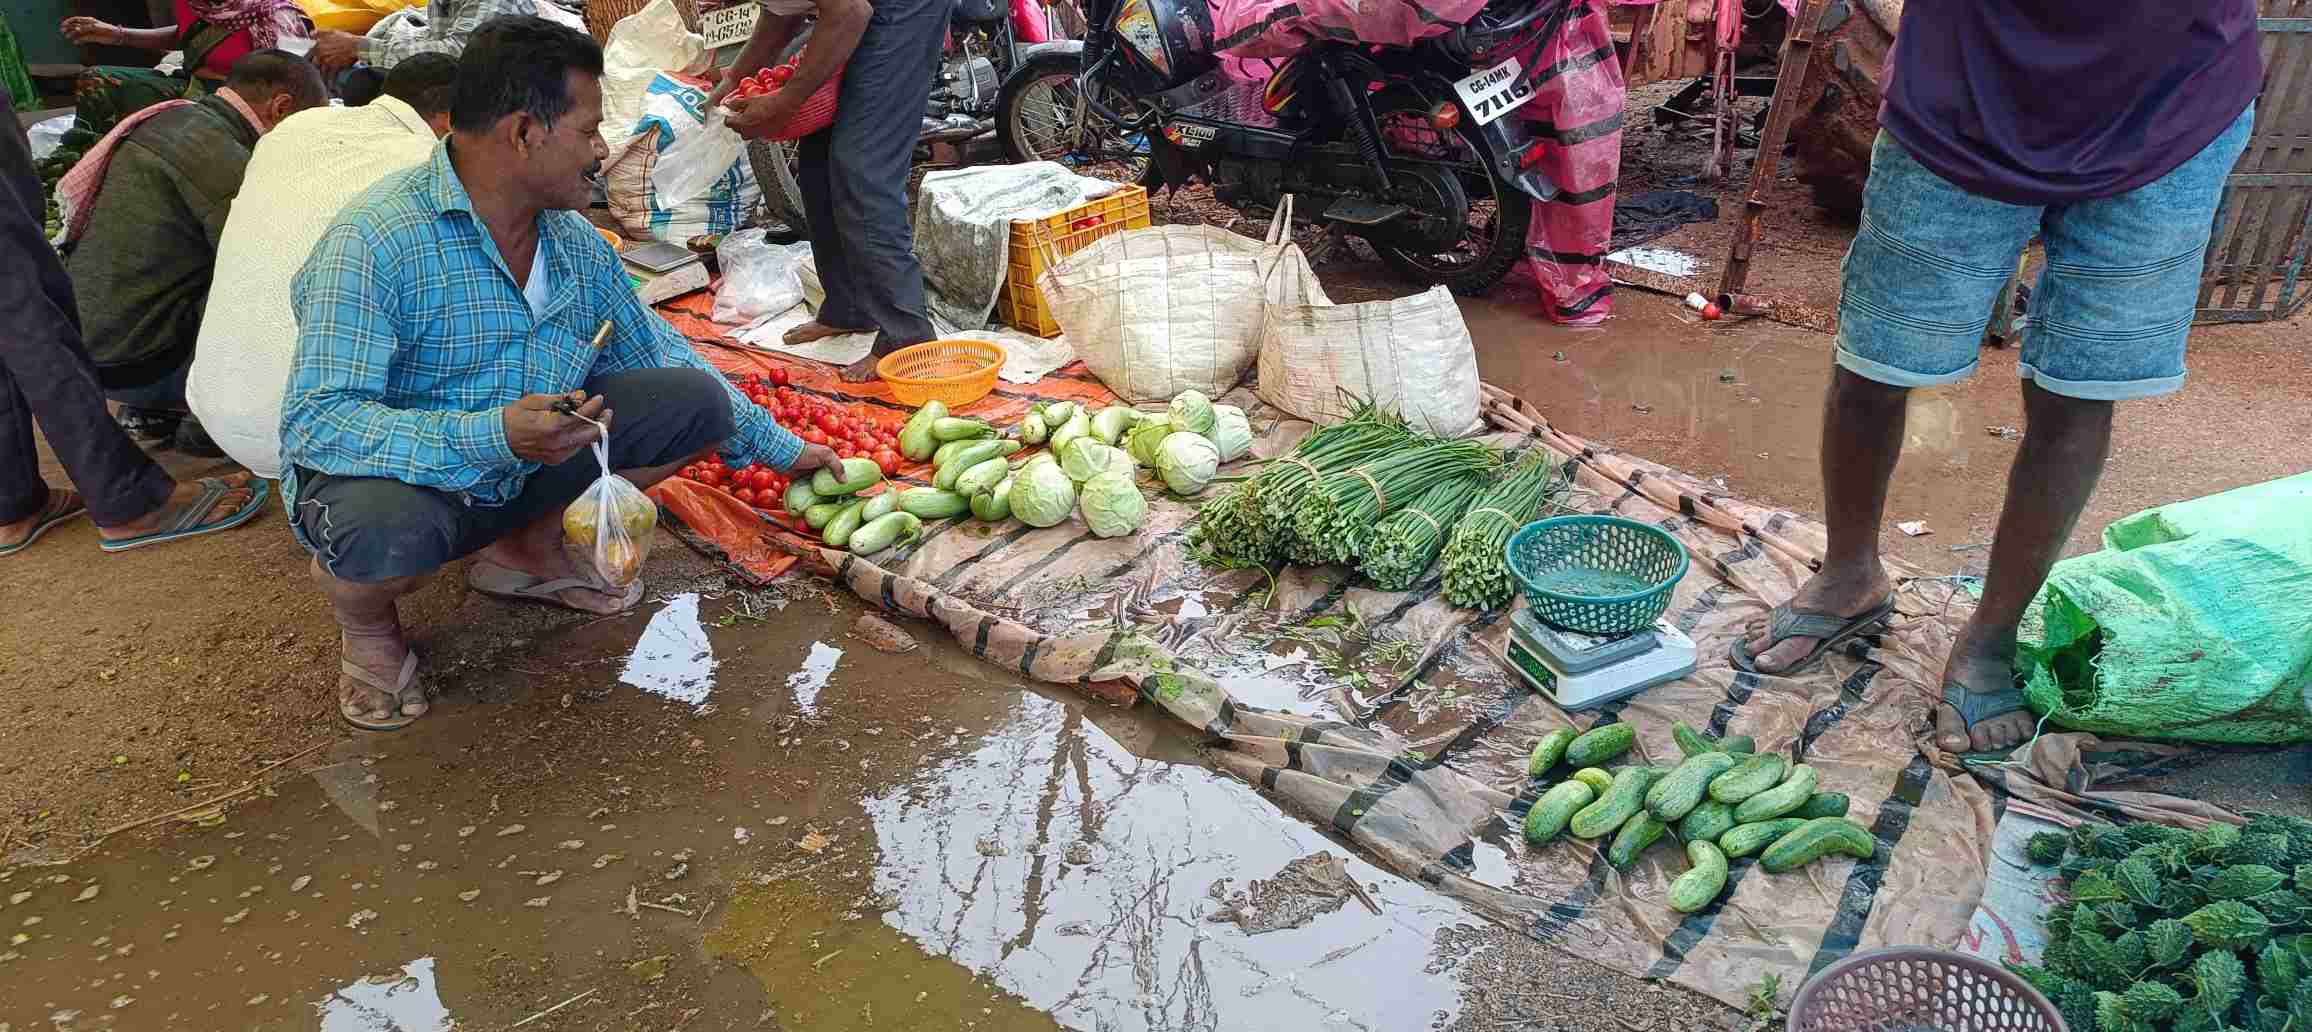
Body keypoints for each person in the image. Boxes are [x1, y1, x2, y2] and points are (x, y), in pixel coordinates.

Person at [280, 16, 838, 732]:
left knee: (695, 404)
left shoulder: (574, 243)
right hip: (411, 480)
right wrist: (491, 434)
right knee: (385, 534)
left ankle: (524, 549)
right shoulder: (376, 242)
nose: (603, 151)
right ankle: (368, 628)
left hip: (523, 464)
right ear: (523, 133)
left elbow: (664, 356)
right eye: (589, 130)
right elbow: (317, 421)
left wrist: (786, 449)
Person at [1734, 1, 2260, 755]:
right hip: (1963, 97)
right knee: (1877, 360)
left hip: (2169, 111)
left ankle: (1991, 637)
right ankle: (1849, 574)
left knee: (2080, 391)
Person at [0, 82, 271, 558]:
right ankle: (129, 500)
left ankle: (13, 501)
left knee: (16, 302)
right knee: (26, 307)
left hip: (125, 361)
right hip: (141, 362)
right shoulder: (200, 141)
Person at [187, 53, 458, 477]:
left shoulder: (291, 130)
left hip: (222, 416)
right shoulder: (431, 159)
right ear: (450, 120)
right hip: (321, 434)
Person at [56, 49, 326, 454]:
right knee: (289, 289)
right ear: (281, 108)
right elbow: (271, 263)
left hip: (99, 349)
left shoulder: (179, 119)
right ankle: (206, 415)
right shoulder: (220, 156)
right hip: (142, 359)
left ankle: (155, 408)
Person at [713, 0, 940, 382]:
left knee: (862, 168)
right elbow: (779, 13)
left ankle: (907, 337)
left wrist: (784, 100)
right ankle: (849, 307)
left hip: (904, 10)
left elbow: (849, 12)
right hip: (859, 7)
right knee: (819, 159)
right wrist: (734, 79)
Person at [60, 0, 312, 133]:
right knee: (96, 79)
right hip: (193, 85)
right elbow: (187, 34)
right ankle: (90, 160)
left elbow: (295, 83)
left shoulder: (275, 15)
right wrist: (116, 34)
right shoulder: (196, 3)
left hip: (246, 103)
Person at [307, 0, 535, 76]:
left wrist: (360, 47)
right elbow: (437, 37)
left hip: (497, 96)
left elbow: (459, 54)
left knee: (361, 84)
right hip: (462, 82)